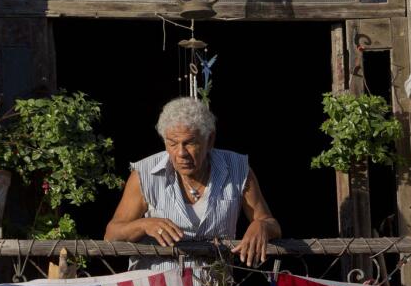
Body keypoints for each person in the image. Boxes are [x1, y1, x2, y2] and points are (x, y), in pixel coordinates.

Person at [104, 98, 281, 271]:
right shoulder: (144, 174)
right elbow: (111, 236)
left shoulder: (238, 170)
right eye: (172, 143)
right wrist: (144, 225)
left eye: (190, 143)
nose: (181, 153)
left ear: (210, 140)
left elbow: (271, 224)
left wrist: (262, 226)